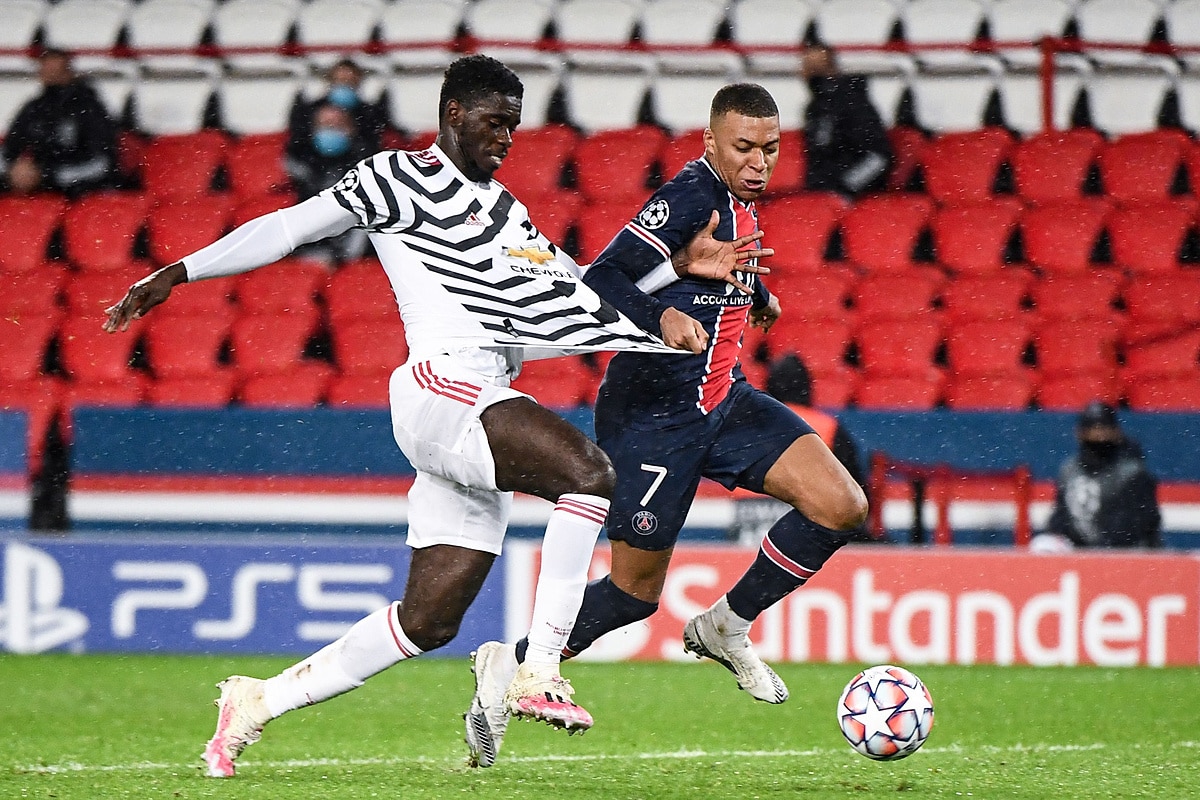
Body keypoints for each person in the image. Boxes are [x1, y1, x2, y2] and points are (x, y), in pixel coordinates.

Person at [102, 55, 766, 778]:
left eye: (514, 124)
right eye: (493, 122)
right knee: (588, 475)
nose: (506, 137)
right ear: (453, 114)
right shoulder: (396, 177)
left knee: (427, 621)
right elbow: (290, 228)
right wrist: (178, 271)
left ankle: (256, 701)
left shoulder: (507, 212)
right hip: (441, 385)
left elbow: (570, 298)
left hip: (480, 403)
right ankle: (537, 670)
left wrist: (671, 274)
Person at [464, 83, 868, 768]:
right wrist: (662, 320)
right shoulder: (689, 195)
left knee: (841, 504)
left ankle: (725, 626)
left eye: (770, 149)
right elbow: (604, 278)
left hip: (724, 399)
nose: (758, 162)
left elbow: (696, 272)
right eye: (743, 147)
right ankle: (509, 673)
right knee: (631, 596)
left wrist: (757, 295)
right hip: (653, 416)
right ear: (710, 142)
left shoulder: (739, 205)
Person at [726, 352, 869, 544]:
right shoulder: (828, 427)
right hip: (799, 522)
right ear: (807, 388)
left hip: (747, 524)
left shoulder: (748, 425)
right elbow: (852, 491)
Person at [1033, 401, 1162, 552]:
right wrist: (1062, 534)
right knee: (1043, 544)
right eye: (1092, 428)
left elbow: (1135, 525)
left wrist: (1100, 550)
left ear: (1116, 432)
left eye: (1104, 428)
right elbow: (1060, 517)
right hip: (1081, 550)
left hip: (1126, 554)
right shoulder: (1070, 470)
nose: (1098, 434)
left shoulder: (1132, 472)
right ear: (1079, 433)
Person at [2, 48, 119, 196]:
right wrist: (14, 171)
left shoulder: (89, 107)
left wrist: (48, 175)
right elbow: (8, 150)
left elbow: (102, 164)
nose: (50, 74)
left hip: (80, 193)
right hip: (40, 191)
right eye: (46, 69)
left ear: (69, 72)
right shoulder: (34, 108)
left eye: (57, 70)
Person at [283, 101, 375, 261]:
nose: (331, 130)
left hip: (354, 252)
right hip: (311, 249)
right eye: (325, 124)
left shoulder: (366, 164)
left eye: (338, 125)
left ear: (351, 129)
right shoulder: (302, 163)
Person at [800, 43, 892, 199]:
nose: (808, 72)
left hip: (855, 195)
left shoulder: (853, 103)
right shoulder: (815, 108)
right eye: (807, 66)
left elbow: (879, 156)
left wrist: (845, 188)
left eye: (816, 67)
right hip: (821, 195)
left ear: (833, 68)